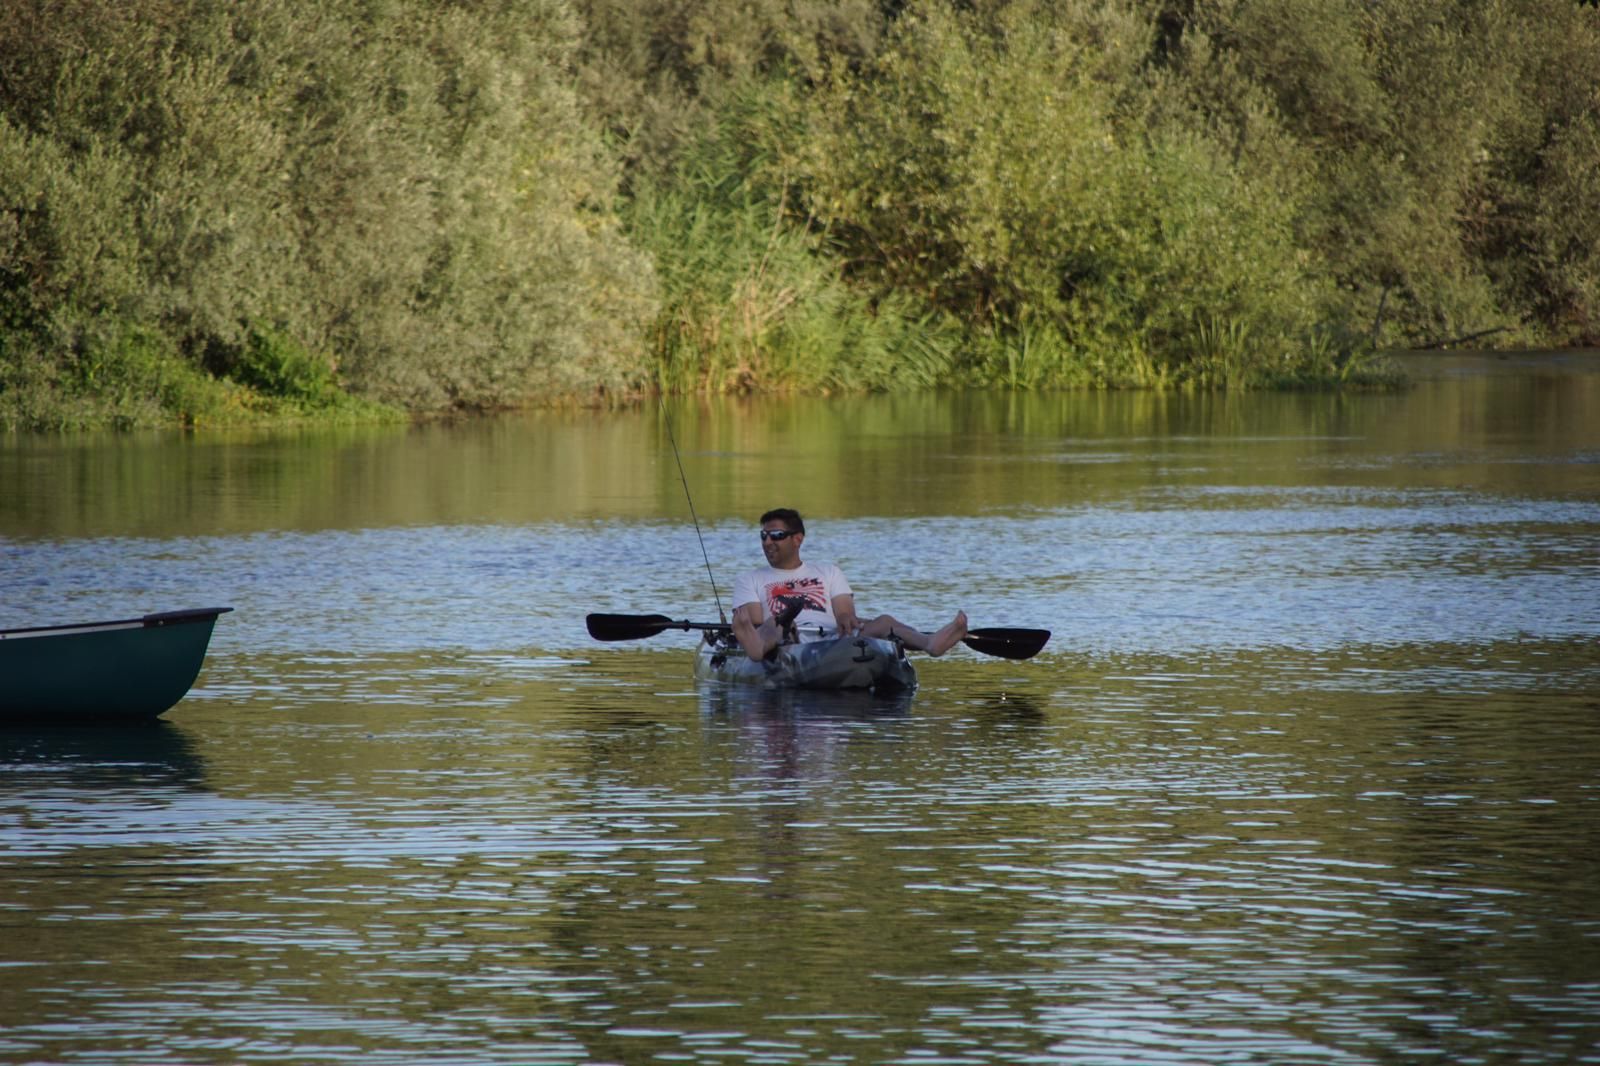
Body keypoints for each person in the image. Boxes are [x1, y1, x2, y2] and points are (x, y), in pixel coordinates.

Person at [729, 507, 968, 662]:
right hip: (786, 637)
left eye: (776, 535)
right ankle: (756, 648)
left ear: (797, 539)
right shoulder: (750, 579)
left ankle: (931, 643)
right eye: (764, 536)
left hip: (834, 639)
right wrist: (758, 627)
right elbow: (756, 620)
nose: (768, 542)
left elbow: (844, 609)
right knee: (773, 622)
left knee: (883, 621)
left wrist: (845, 617)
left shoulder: (829, 572)